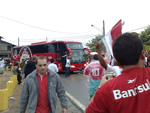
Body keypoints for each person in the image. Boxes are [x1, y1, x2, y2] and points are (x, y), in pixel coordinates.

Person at [86, 33, 150, 113]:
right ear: (142, 55)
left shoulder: (105, 90)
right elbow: (103, 64)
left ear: (116, 59)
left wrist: (100, 87)